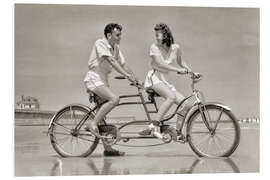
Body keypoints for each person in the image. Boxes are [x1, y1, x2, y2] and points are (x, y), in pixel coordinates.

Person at [84, 23, 137, 156]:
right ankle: (92, 124)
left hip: (103, 80)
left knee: (102, 114)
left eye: (120, 35)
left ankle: (108, 150)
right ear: (109, 35)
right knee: (114, 99)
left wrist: (136, 79)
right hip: (94, 78)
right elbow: (112, 61)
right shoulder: (100, 43)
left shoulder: (116, 48)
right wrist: (126, 76)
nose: (120, 38)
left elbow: (123, 64)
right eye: (117, 35)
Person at [139, 23, 199, 141]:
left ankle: (177, 132)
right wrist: (178, 70)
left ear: (165, 34)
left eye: (158, 35)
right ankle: (154, 125)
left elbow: (181, 62)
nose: (156, 37)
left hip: (165, 80)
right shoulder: (154, 47)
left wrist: (192, 72)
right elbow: (161, 64)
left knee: (186, 104)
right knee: (171, 97)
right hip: (154, 77)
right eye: (155, 35)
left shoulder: (175, 47)